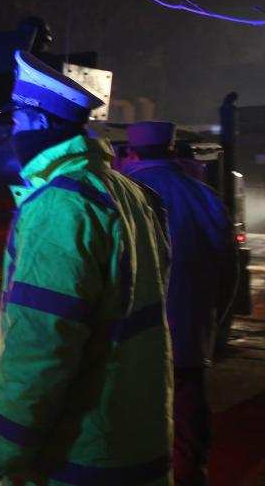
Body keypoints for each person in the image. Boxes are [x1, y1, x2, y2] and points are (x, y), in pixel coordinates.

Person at [0, 50, 173, 486]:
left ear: (39, 123)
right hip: (136, 439)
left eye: (18, 120)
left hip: (79, 455)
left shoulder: (60, 205)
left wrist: (2, 451)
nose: (14, 131)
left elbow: (42, 346)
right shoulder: (126, 190)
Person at [121, 121, 238, 486]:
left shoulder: (117, 196)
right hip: (188, 340)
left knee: (129, 432)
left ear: (132, 153)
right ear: (173, 152)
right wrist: (209, 325)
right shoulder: (203, 197)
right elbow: (228, 272)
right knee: (187, 432)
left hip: (129, 343)